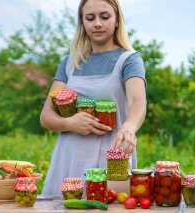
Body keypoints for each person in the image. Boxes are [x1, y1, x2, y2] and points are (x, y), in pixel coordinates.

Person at [40, 0, 146, 196]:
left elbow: (137, 102)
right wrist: (70, 123)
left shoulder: (129, 60)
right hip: (69, 156)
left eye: (105, 17)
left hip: (112, 156)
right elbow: (46, 116)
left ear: (116, 21)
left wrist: (129, 127)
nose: (97, 23)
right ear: (82, 22)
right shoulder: (70, 62)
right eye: (90, 18)